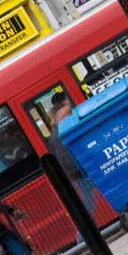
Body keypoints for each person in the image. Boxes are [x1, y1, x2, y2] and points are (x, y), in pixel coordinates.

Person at [47, 95, 107, 242]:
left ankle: (83, 237)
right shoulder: (59, 135)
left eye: (69, 112)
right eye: (66, 114)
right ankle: (82, 238)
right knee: (89, 205)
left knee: (89, 204)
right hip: (81, 173)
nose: (69, 116)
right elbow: (67, 158)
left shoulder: (58, 133)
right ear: (57, 117)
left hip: (81, 173)